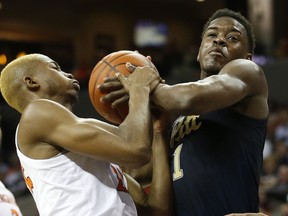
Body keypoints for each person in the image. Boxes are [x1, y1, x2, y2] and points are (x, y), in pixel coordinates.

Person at [99, 8, 269, 215]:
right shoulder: (175, 113)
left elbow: (189, 98)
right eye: (212, 35)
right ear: (198, 52)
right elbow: (150, 189)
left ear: (248, 57)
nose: (220, 40)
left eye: (232, 38)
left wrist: (141, 86)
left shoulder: (248, 73)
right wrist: (159, 131)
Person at [0, 53, 172, 216]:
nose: (68, 74)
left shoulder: (92, 158)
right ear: (31, 82)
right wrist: (140, 88)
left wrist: (158, 133)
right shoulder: (36, 113)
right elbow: (136, 150)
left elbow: (158, 211)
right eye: (55, 68)